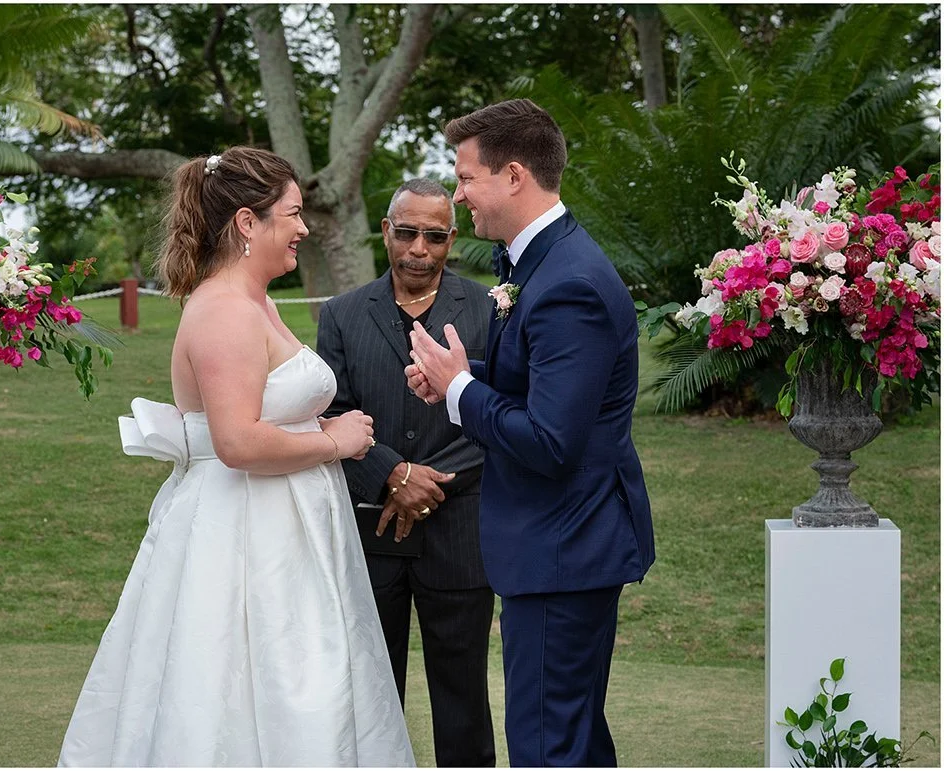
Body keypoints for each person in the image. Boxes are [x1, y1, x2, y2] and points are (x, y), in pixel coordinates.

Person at [58, 146, 414, 767]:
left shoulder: (258, 301)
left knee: (308, 675)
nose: (304, 228)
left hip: (289, 521)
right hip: (242, 530)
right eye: (293, 214)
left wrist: (319, 424)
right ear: (249, 223)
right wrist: (337, 441)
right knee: (241, 681)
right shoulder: (223, 310)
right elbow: (237, 441)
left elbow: (268, 407)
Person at [406, 98, 656, 767]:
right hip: (559, 544)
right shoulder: (537, 264)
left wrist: (462, 391)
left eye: (465, 178)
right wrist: (468, 376)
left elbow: (550, 440)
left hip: (563, 550)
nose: (458, 196)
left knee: (550, 748)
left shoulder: (568, 281)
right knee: (568, 739)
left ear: (513, 176)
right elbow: (545, 380)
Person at [316, 178, 497, 767]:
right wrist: (393, 474)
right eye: (408, 232)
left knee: (463, 698)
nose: (420, 248)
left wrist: (425, 482)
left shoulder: (489, 310)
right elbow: (332, 413)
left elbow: (501, 413)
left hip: (462, 535)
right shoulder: (342, 315)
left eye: (436, 236)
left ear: (452, 238)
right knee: (370, 696)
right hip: (371, 536)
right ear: (388, 231)